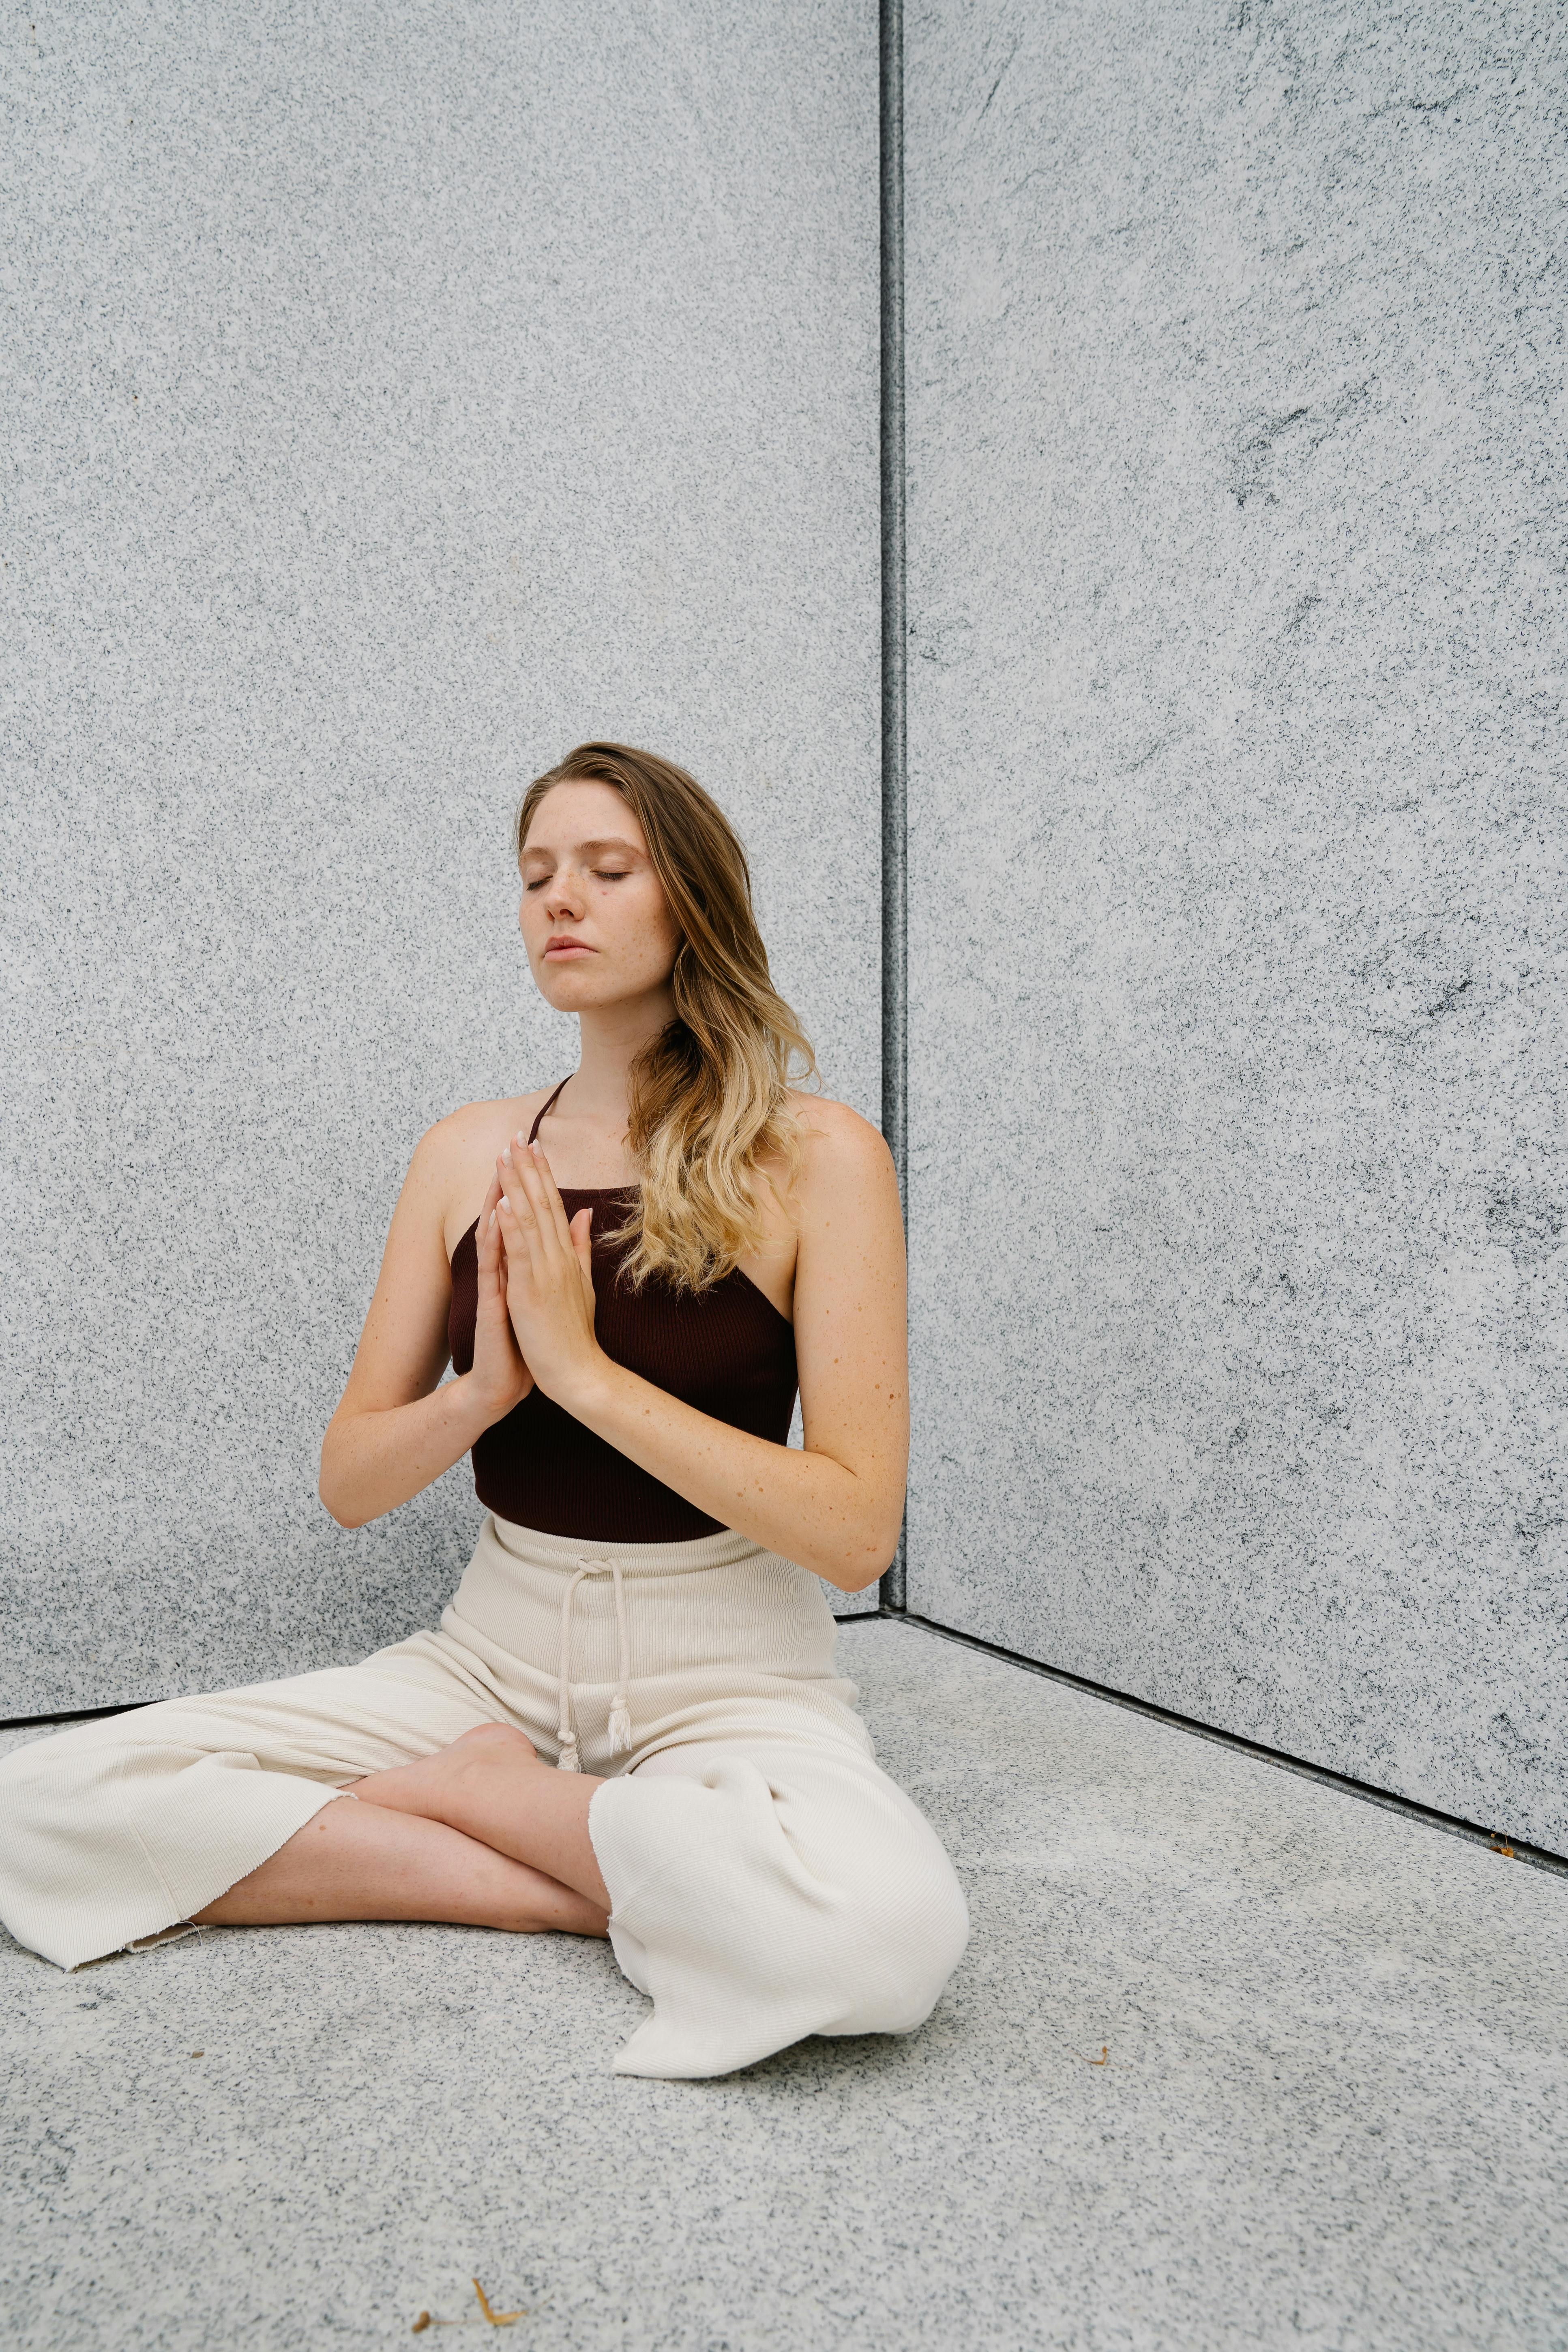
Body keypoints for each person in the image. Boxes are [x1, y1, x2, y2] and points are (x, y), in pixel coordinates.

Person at [0, 743, 969, 2078]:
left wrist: (584, 1377)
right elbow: (350, 1484)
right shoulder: (469, 1151)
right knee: (35, 1803)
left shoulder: (814, 1156)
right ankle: (562, 1863)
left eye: (606, 870)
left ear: (691, 900)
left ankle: (495, 1810)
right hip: (485, 1665)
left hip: (732, 1675)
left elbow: (857, 1532)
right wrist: (489, 1391)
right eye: (535, 876)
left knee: (888, 1938)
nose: (558, 901)